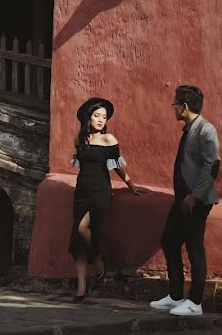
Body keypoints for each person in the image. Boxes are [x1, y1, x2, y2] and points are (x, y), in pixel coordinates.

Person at [150, 85, 221, 317]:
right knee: (169, 241)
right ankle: (175, 295)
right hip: (183, 198)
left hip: (196, 200)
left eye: (175, 104)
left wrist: (195, 196)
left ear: (184, 106)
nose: (173, 108)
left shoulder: (205, 130)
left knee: (194, 249)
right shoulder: (190, 128)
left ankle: (195, 303)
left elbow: (213, 165)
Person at [69, 97, 143, 301]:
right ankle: (81, 290)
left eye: (104, 116)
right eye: (96, 115)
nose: (101, 120)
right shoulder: (79, 140)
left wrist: (131, 185)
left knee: (82, 229)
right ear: (88, 117)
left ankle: (98, 258)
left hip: (101, 191)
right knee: (78, 241)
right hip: (81, 191)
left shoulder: (109, 140)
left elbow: (117, 166)